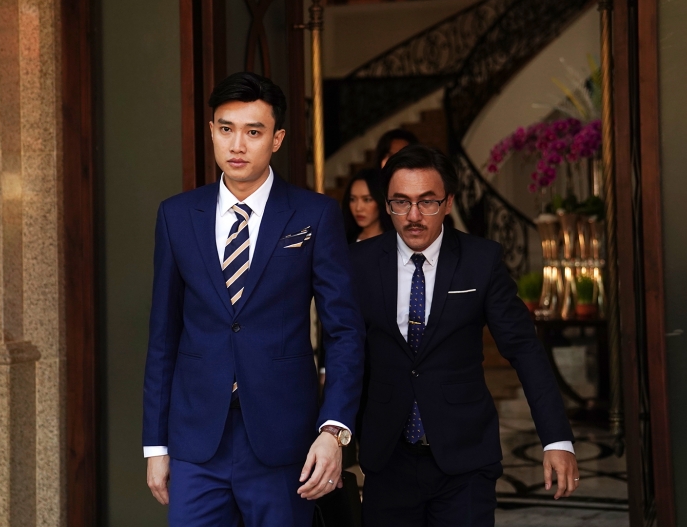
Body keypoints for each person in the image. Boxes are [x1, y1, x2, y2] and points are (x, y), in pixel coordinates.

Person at [143, 72, 365, 527]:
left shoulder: (314, 214)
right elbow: (163, 336)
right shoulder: (177, 215)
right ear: (212, 132)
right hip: (196, 439)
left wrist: (334, 429)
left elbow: (344, 332)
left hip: (283, 437)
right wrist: (156, 445)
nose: (237, 145)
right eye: (226, 129)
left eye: (253, 131)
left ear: (277, 139)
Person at [351, 145, 578, 527]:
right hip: (388, 458)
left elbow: (524, 348)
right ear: (387, 204)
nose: (413, 216)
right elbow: (344, 353)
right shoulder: (359, 262)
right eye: (401, 202)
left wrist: (556, 439)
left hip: (465, 458)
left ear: (449, 203)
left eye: (427, 202)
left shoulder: (480, 260)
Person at [342, 168, 393, 244]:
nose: (358, 208)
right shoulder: (343, 240)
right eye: (352, 199)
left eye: (367, 200)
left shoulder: (394, 242)